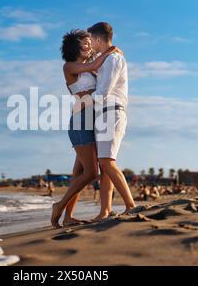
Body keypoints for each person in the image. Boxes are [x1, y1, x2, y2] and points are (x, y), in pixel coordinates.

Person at [50, 29, 122, 228]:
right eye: (84, 42)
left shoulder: (90, 68)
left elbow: (102, 72)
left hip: (93, 120)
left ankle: (68, 216)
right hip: (81, 121)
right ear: (74, 46)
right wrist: (111, 51)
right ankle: (59, 205)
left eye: (90, 42)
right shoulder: (70, 66)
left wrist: (110, 54)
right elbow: (95, 64)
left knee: (79, 172)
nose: (89, 45)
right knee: (91, 173)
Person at [88, 22, 137, 220]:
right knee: (104, 164)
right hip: (105, 114)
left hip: (112, 112)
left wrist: (83, 100)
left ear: (98, 39)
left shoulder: (113, 60)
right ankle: (105, 210)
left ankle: (131, 205)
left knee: (107, 162)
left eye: (91, 40)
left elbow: (103, 92)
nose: (90, 44)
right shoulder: (107, 59)